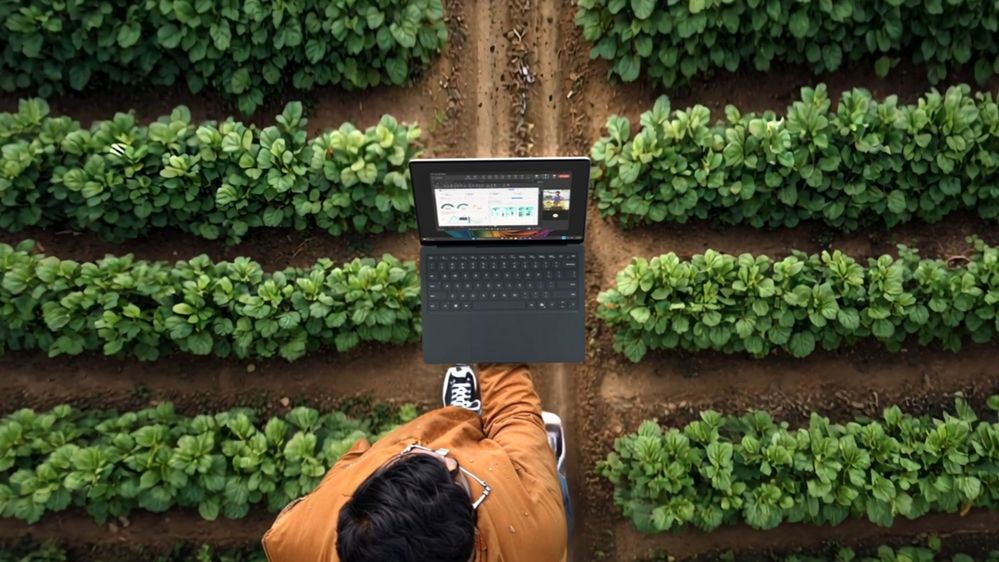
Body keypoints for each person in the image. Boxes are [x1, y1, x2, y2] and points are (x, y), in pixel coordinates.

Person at [262, 364, 568, 562]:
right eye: (454, 473)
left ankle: (461, 413)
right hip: (525, 509)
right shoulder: (536, 538)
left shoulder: (299, 534)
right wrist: (498, 349)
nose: (441, 453)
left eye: (406, 457)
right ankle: (478, 423)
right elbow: (515, 413)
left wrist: (359, 462)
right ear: (468, 542)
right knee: (544, 479)